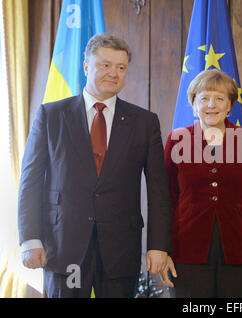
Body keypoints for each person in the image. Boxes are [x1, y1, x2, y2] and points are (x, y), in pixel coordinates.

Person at [18, 33, 172, 298]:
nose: (114, 73)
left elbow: (159, 190)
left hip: (121, 250)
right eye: (105, 65)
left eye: (121, 67)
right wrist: (30, 238)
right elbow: (30, 181)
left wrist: (158, 246)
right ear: (86, 66)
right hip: (64, 245)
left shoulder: (145, 123)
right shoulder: (51, 116)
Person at [162, 69, 242, 297]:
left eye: (219, 98)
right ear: (194, 105)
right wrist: (163, 251)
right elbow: (165, 200)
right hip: (186, 251)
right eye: (204, 98)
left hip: (239, 250)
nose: (211, 105)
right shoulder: (177, 140)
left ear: (229, 106)